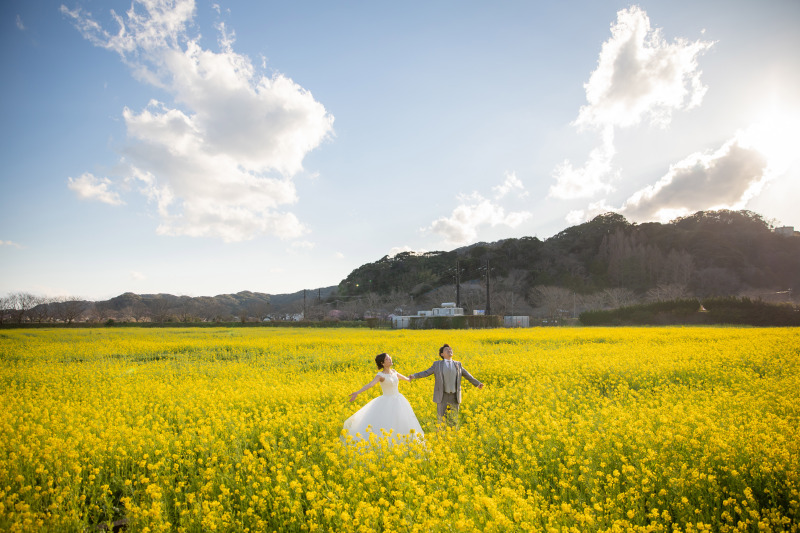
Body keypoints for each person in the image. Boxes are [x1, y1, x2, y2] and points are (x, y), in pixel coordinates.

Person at [343, 353, 424, 443]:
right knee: (387, 423)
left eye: (390, 358)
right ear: (382, 363)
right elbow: (370, 384)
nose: (390, 359)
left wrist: (412, 377)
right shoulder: (380, 376)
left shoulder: (394, 372)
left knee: (402, 422)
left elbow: (407, 379)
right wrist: (357, 392)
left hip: (399, 401)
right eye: (387, 359)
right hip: (387, 402)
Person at [409, 344, 483, 426]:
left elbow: (468, 375)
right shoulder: (437, 364)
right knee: (441, 421)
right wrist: (414, 376)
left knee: (453, 420)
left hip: (455, 396)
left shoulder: (458, 364)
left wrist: (478, 384)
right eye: (447, 350)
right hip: (442, 396)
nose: (449, 350)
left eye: (450, 349)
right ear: (442, 354)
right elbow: (426, 373)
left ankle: (453, 437)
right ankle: (441, 436)